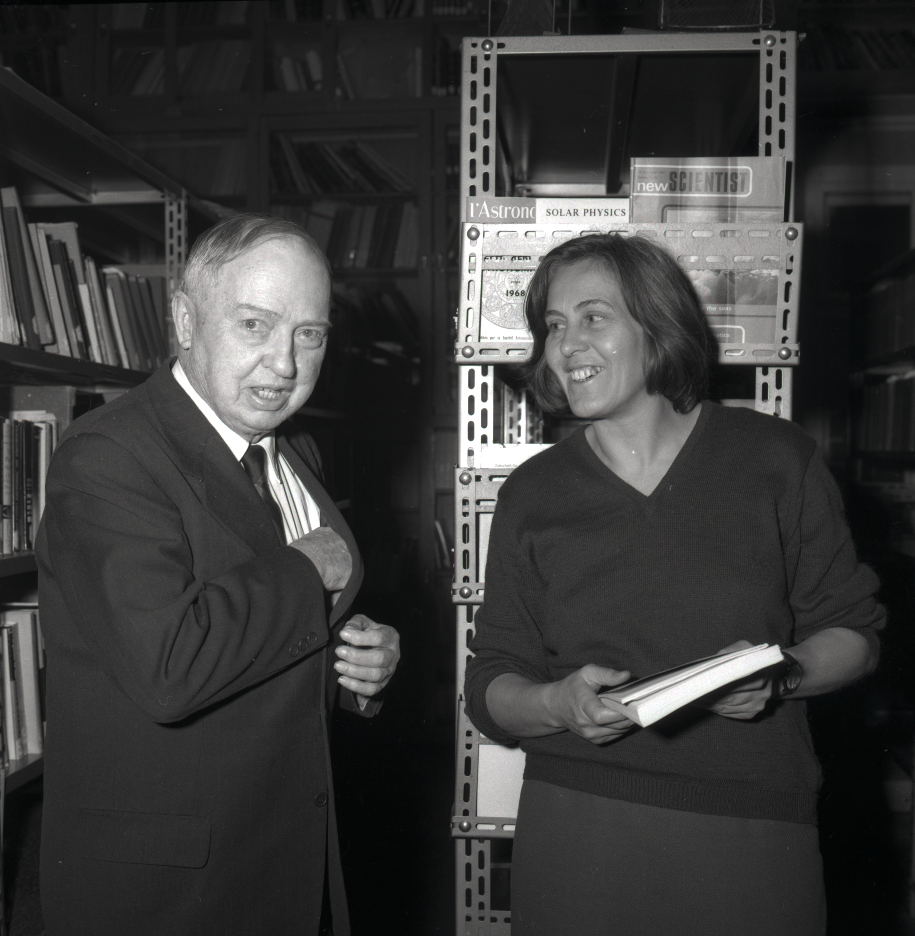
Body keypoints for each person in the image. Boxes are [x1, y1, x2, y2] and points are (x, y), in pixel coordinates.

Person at [463, 233, 884, 936]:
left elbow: (855, 635)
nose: (566, 345)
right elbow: (490, 684)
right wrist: (556, 703)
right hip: (579, 831)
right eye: (554, 326)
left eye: (593, 317)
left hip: (751, 827)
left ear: (656, 325)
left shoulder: (774, 460)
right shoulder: (532, 494)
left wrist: (782, 675)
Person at [36, 214, 401, 936]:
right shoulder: (106, 456)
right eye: (254, 324)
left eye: (309, 333)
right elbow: (170, 665)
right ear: (184, 320)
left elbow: (272, 642)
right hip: (166, 893)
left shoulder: (289, 450)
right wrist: (305, 572)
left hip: (282, 859)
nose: (285, 363)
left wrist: (359, 668)